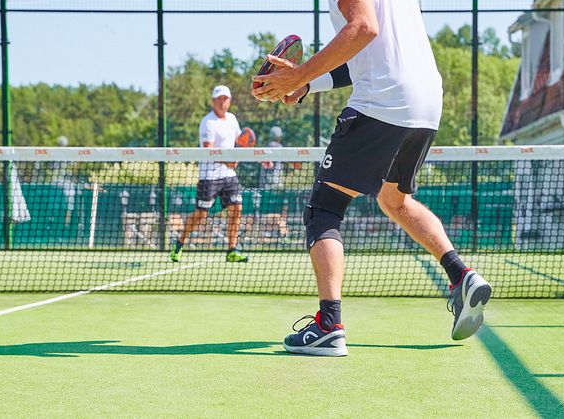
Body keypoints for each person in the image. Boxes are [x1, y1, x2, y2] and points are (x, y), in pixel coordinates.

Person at [252, 0, 491, 356]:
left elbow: (363, 29)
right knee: (395, 201)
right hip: (425, 104)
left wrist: (298, 74)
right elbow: (363, 54)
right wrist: (306, 86)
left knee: (325, 207)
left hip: (385, 101)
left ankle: (329, 326)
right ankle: (460, 274)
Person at [170, 85, 249, 263]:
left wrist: (247, 155)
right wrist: (227, 160)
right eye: (219, 98)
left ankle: (232, 250)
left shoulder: (232, 119)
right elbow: (208, 150)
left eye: (225, 98)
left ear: (229, 101)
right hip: (209, 176)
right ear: (213, 101)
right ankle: (179, 244)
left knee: (237, 208)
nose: (222, 101)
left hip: (229, 175)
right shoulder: (208, 122)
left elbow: (240, 141)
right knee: (201, 215)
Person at [257, 126, 288, 239]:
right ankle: (281, 232)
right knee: (279, 210)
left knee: (265, 211)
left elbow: (266, 163)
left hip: (267, 184)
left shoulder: (268, 147)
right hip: (276, 184)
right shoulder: (280, 147)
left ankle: (267, 233)